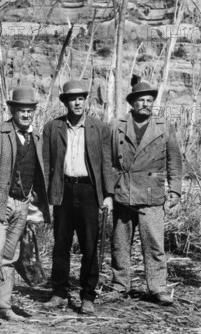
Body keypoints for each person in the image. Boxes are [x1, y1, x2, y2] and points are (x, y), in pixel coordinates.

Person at [0, 86, 50, 325]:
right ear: (12, 110)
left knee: (11, 255)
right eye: (22, 110)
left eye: (30, 111)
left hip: (23, 204)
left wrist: (34, 198)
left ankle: (5, 306)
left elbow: (39, 171)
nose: (26, 115)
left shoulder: (37, 138)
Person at [42, 80, 114, 314]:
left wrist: (108, 195)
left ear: (86, 101)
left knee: (90, 245)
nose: (77, 103)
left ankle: (88, 296)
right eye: (72, 99)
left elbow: (106, 164)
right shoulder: (53, 127)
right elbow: (46, 162)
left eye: (81, 98)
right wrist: (44, 194)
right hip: (63, 190)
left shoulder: (99, 128)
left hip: (89, 192)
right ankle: (59, 293)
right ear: (65, 102)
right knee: (61, 244)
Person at [109, 80, 182, 305]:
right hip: (123, 192)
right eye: (141, 100)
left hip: (152, 194)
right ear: (132, 102)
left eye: (150, 100)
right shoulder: (116, 125)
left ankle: (157, 288)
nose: (146, 104)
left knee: (155, 244)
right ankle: (120, 286)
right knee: (120, 243)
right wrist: (108, 190)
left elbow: (174, 162)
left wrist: (175, 193)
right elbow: (107, 160)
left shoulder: (164, 127)